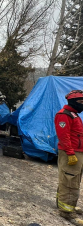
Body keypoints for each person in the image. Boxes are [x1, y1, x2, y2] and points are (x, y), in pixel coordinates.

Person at [55, 90, 83, 225]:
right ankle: (66, 212)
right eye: (81, 102)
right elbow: (63, 136)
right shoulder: (64, 115)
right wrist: (70, 153)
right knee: (69, 180)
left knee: (73, 179)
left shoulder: (74, 115)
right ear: (73, 102)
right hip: (70, 152)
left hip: (77, 151)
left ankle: (65, 204)